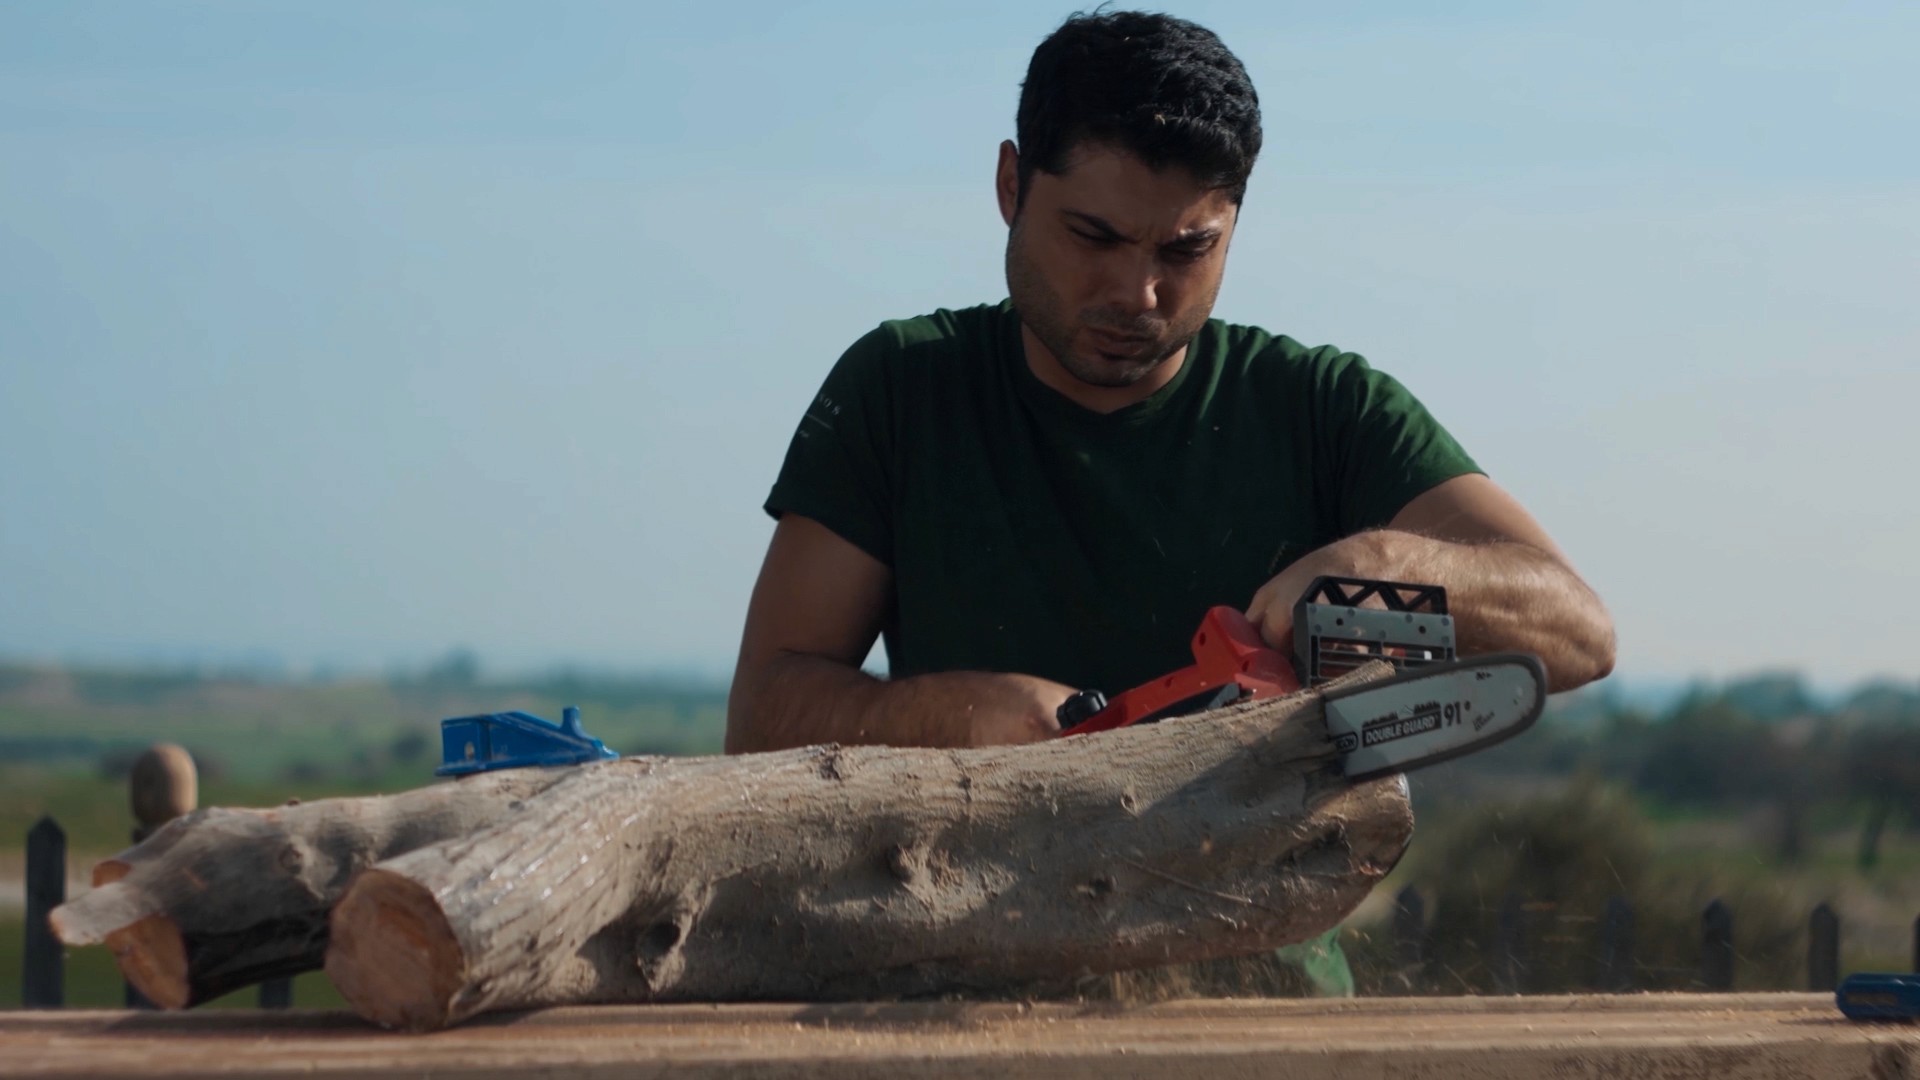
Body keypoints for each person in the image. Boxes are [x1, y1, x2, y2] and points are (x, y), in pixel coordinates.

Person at [726, 10, 1614, 758]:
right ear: (1010, 185)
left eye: (1187, 249)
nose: (1136, 293)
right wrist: (950, 718)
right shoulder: (902, 389)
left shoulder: (1322, 407)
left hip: (1267, 957)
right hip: (960, 953)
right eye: (1094, 236)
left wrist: (1380, 566)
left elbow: (1578, 633)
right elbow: (763, 712)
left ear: (1235, 224)